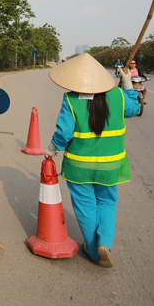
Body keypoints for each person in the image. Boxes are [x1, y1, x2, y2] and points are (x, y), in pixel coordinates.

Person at [44, 53, 140, 268]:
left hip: (79, 166)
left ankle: (93, 251)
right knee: (107, 202)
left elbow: (64, 133)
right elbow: (135, 110)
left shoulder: (70, 99)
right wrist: (128, 87)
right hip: (111, 165)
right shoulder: (117, 95)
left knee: (85, 206)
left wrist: (52, 148)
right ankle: (104, 243)